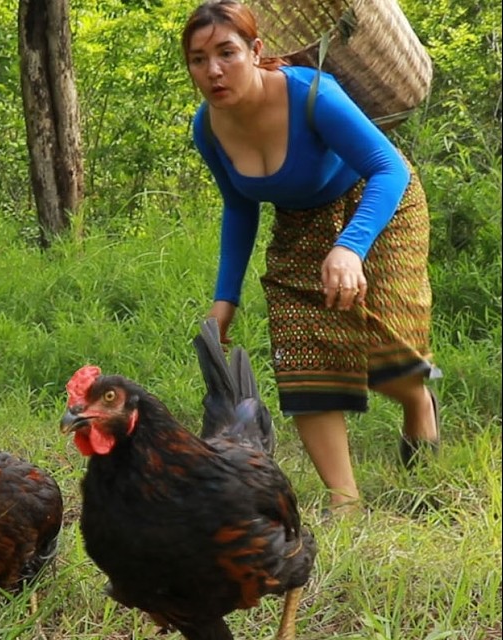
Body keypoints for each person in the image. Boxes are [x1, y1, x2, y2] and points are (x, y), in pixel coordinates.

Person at [181, 0, 439, 513]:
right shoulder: (207, 128)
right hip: (301, 224)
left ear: (256, 51)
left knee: (387, 347)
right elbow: (239, 207)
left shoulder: (310, 95)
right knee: (301, 349)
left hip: (377, 206)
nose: (213, 70)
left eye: (226, 53)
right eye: (198, 59)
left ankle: (418, 403)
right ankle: (346, 502)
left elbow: (389, 170)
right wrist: (224, 297)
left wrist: (349, 247)